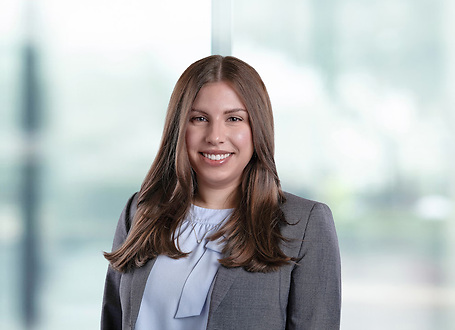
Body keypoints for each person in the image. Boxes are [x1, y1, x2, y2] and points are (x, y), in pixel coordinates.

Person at [101, 55, 341, 330]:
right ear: (179, 128)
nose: (215, 136)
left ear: (258, 129)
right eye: (199, 118)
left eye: (234, 118)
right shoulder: (139, 212)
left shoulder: (305, 223)